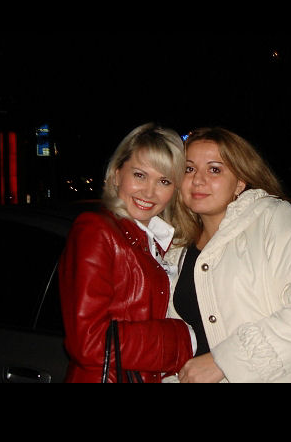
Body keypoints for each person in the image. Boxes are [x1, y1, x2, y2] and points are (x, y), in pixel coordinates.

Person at [166, 127, 291, 383]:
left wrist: (226, 362)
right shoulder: (175, 251)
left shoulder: (270, 218)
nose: (198, 180)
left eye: (214, 169)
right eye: (189, 169)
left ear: (240, 182)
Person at [59, 123, 193, 383]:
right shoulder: (96, 231)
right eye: (140, 175)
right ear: (117, 174)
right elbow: (89, 342)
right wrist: (184, 339)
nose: (149, 191)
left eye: (164, 181)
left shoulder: (156, 241)